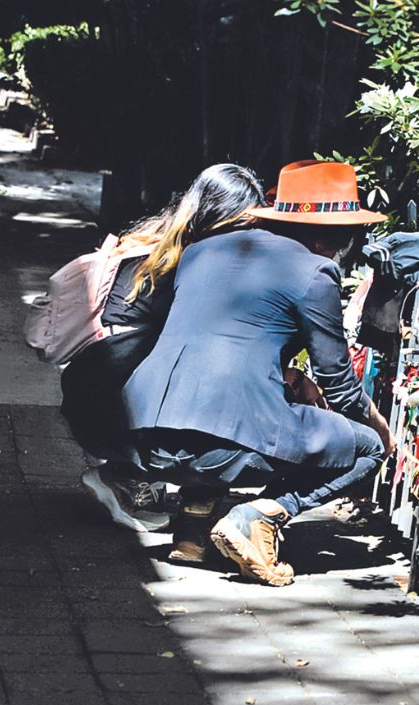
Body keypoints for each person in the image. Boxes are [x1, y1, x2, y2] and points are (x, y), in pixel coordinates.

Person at [123, 160, 397, 586]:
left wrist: (287, 377)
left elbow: (214, 344)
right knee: (365, 448)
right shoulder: (315, 272)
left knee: (235, 415)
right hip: (222, 444)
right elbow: (341, 389)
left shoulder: (201, 251)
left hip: (146, 437)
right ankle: (257, 518)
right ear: (342, 235)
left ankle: (193, 532)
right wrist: (381, 427)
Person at [60, 163, 265, 532]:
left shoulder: (159, 239)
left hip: (96, 381)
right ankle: (124, 477)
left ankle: (133, 476)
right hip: (114, 394)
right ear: (220, 217)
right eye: (243, 224)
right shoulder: (191, 261)